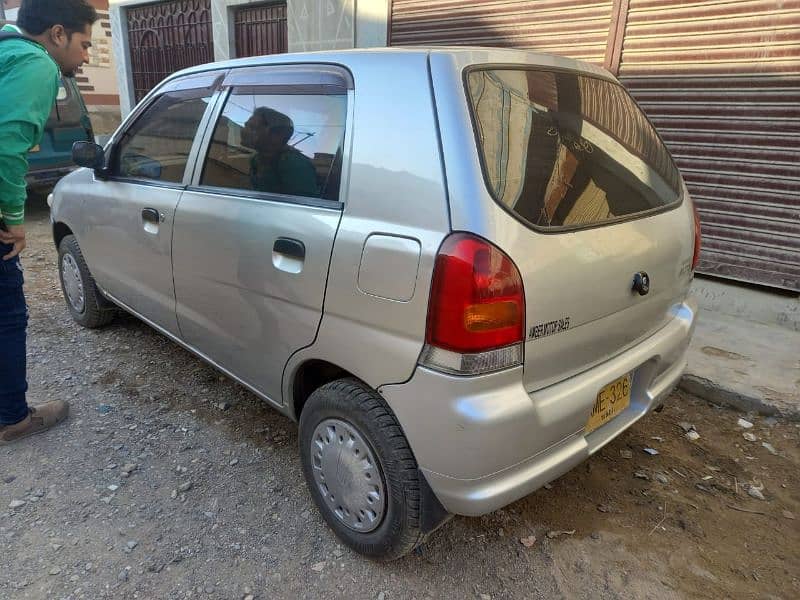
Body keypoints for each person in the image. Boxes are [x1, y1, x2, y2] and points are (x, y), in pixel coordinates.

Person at [0, 0, 97, 445]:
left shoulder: (6, 52)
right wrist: (15, 220)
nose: (86, 56)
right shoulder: (37, 65)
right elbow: (6, 147)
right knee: (8, 313)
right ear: (57, 34)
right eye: (84, 43)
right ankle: (12, 417)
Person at [241, 107, 319, 197]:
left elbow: (304, 207)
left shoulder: (295, 164)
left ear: (275, 136)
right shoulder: (255, 159)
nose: (244, 131)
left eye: (252, 128)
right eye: (246, 125)